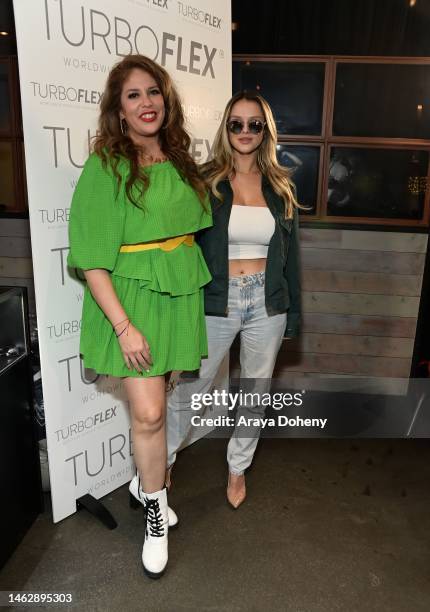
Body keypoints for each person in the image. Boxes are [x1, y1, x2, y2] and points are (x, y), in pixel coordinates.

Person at [67, 55, 212, 578]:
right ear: (118, 109)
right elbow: (91, 258)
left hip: (177, 294)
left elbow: (190, 231)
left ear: (165, 100)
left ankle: (143, 483)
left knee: (162, 399)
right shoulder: (106, 166)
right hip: (131, 300)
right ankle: (155, 510)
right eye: (134, 95)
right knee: (149, 415)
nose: (147, 102)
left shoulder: (180, 159)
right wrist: (124, 327)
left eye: (153, 92)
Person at [167, 90, 302, 508]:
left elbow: (291, 258)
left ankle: (237, 468)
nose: (245, 131)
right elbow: (182, 245)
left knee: (255, 394)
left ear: (265, 132)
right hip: (216, 300)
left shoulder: (281, 188)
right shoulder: (205, 180)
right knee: (191, 389)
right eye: (236, 124)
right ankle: (162, 459)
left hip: (267, 302)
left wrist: (292, 314)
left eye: (254, 124)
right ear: (226, 129)